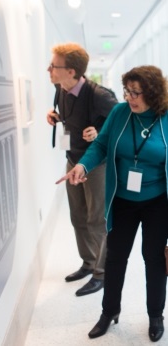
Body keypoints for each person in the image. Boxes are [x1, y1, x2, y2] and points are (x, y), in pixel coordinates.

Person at [56, 65, 168, 342]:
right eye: (127, 91)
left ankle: (156, 315)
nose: (130, 98)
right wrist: (83, 165)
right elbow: (101, 146)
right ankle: (109, 312)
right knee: (115, 258)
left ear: (152, 94)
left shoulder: (165, 117)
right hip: (122, 200)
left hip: (157, 201)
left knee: (154, 260)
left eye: (136, 93)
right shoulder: (120, 113)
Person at [47, 42, 118, 296]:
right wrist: (55, 116)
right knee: (77, 216)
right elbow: (67, 117)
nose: (49, 69)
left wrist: (99, 132)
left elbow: (121, 124)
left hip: (96, 165)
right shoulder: (60, 88)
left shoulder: (100, 96)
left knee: (96, 219)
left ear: (72, 71)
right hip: (72, 161)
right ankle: (88, 263)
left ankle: (102, 272)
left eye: (53, 66)